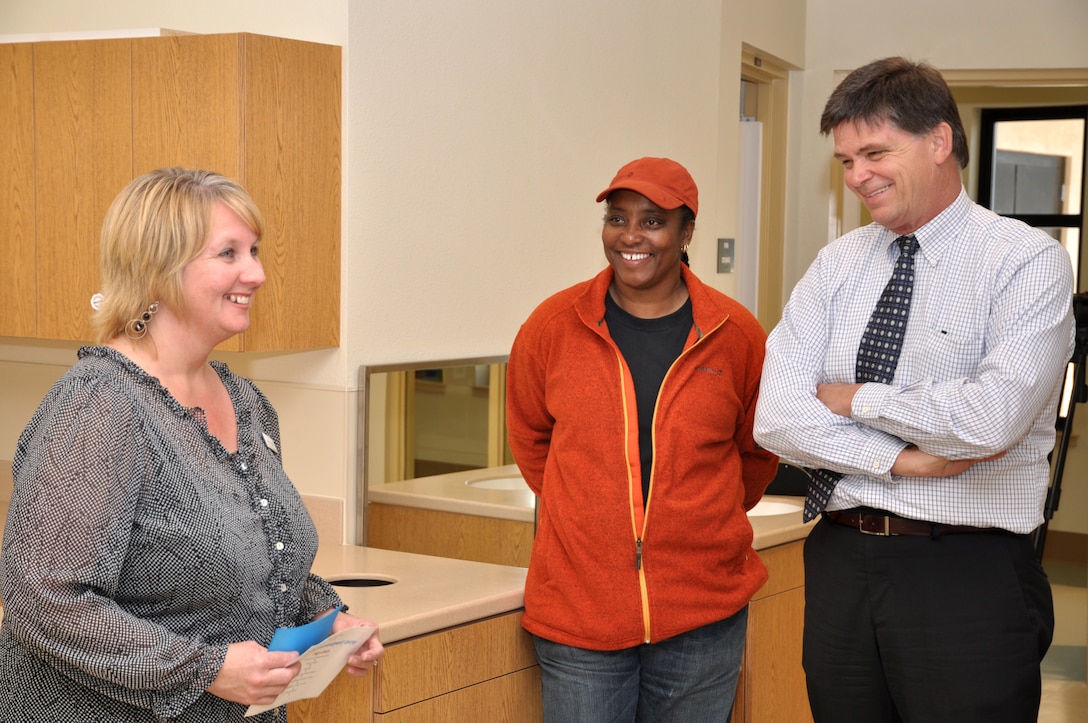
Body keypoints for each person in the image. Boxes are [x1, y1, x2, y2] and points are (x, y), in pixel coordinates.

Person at [754, 57, 1075, 722]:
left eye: (874, 152)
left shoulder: (1024, 261)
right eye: (845, 160)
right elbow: (775, 415)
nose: (857, 176)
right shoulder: (835, 265)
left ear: (939, 141)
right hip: (841, 560)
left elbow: (989, 419)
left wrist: (855, 397)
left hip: (966, 570)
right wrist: (902, 457)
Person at [0, 168, 383, 722]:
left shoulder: (245, 401)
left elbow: (264, 564)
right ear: (158, 270)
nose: (257, 272)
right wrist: (206, 669)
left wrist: (329, 617)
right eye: (228, 254)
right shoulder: (100, 405)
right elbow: (47, 600)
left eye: (254, 250)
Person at [506, 157, 778, 722]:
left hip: (703, 615)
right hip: (581, 612)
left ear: (686, 233)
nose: (631, 236)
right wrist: (587, 511)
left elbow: (756, 452)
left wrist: (697, 516)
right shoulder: (552, 327)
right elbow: (533, 442)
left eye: (653, 222)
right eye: (617, 218)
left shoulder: (735, 333)